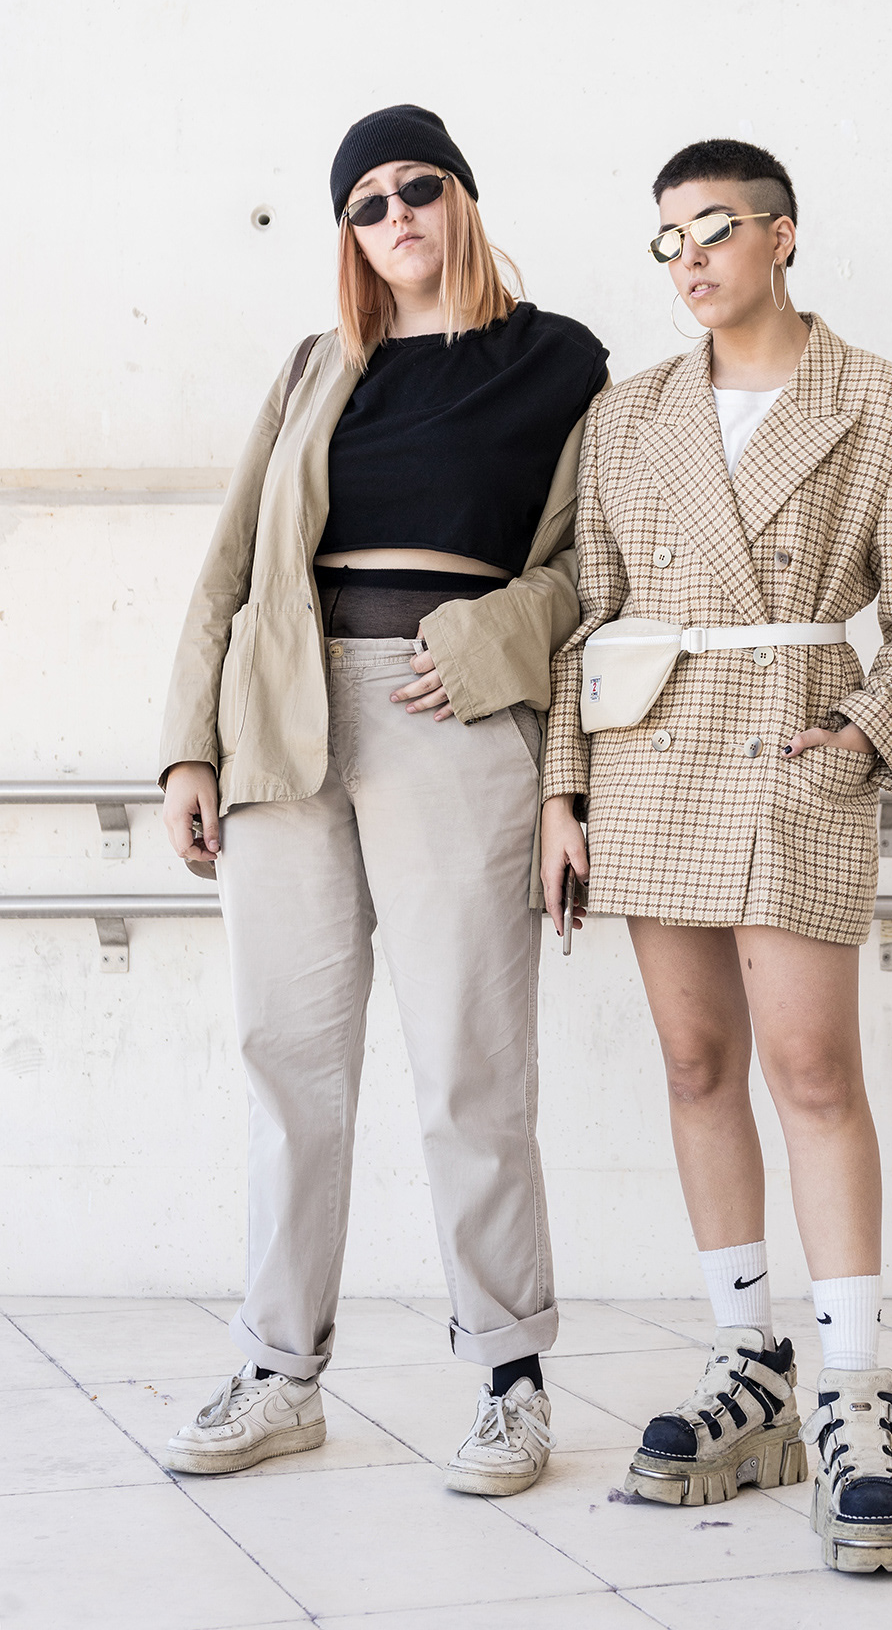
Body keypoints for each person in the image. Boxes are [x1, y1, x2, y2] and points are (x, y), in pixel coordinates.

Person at [158, 104, 608, 1492]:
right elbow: (232, 559)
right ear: (348, 234)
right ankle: (279, 1372)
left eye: (418, 187)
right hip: (285, 717)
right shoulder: (317, 368)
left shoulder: (562, 361)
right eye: (366, 202)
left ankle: (511, 1379)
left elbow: (594, 570)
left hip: (454, 718)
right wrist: (188, 749)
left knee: (472, 1061)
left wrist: (490, 641)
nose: (395, 214)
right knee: (286, 1058)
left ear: (463, 196)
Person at [540, 138, 892, 1571]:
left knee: (813, 1071)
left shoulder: (891, 407)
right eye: (666, 241)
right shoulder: (627, 415)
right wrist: (563, 791)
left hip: (794, 755)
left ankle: (854, 1393)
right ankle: (749, 1365)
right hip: (652, 758)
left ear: (784, 235)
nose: (689, 261)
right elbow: (587, 616)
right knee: (695, 1065)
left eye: (714, 228)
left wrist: (860, 732)